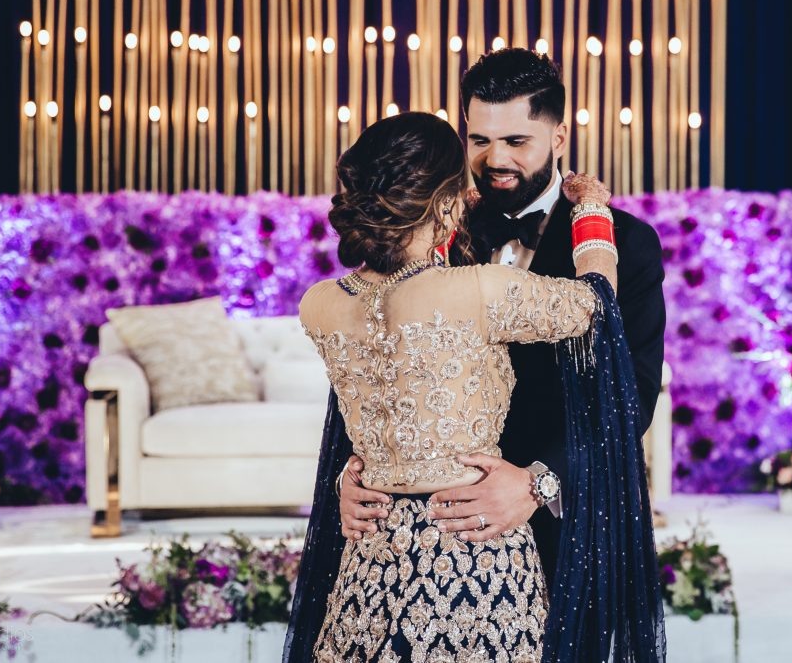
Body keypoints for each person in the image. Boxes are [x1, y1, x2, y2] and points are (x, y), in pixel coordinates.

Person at [284, 110, 665, 661]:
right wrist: (591, 212)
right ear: (444, 204)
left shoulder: (317, 304)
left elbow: (384, 401)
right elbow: (595, 306)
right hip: (475, 562)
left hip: (369, 564)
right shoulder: (482, 290)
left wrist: (356, 469)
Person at [338, 47, 667, 590]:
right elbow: (378, 364)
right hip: (435, 532)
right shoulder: (430, 231)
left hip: (566, 522)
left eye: (517, 142)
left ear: (558, 138)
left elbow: (632, 394)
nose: (496, 160)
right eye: (480, 140)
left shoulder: (625, 243)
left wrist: (537, 483)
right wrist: (351, 476)